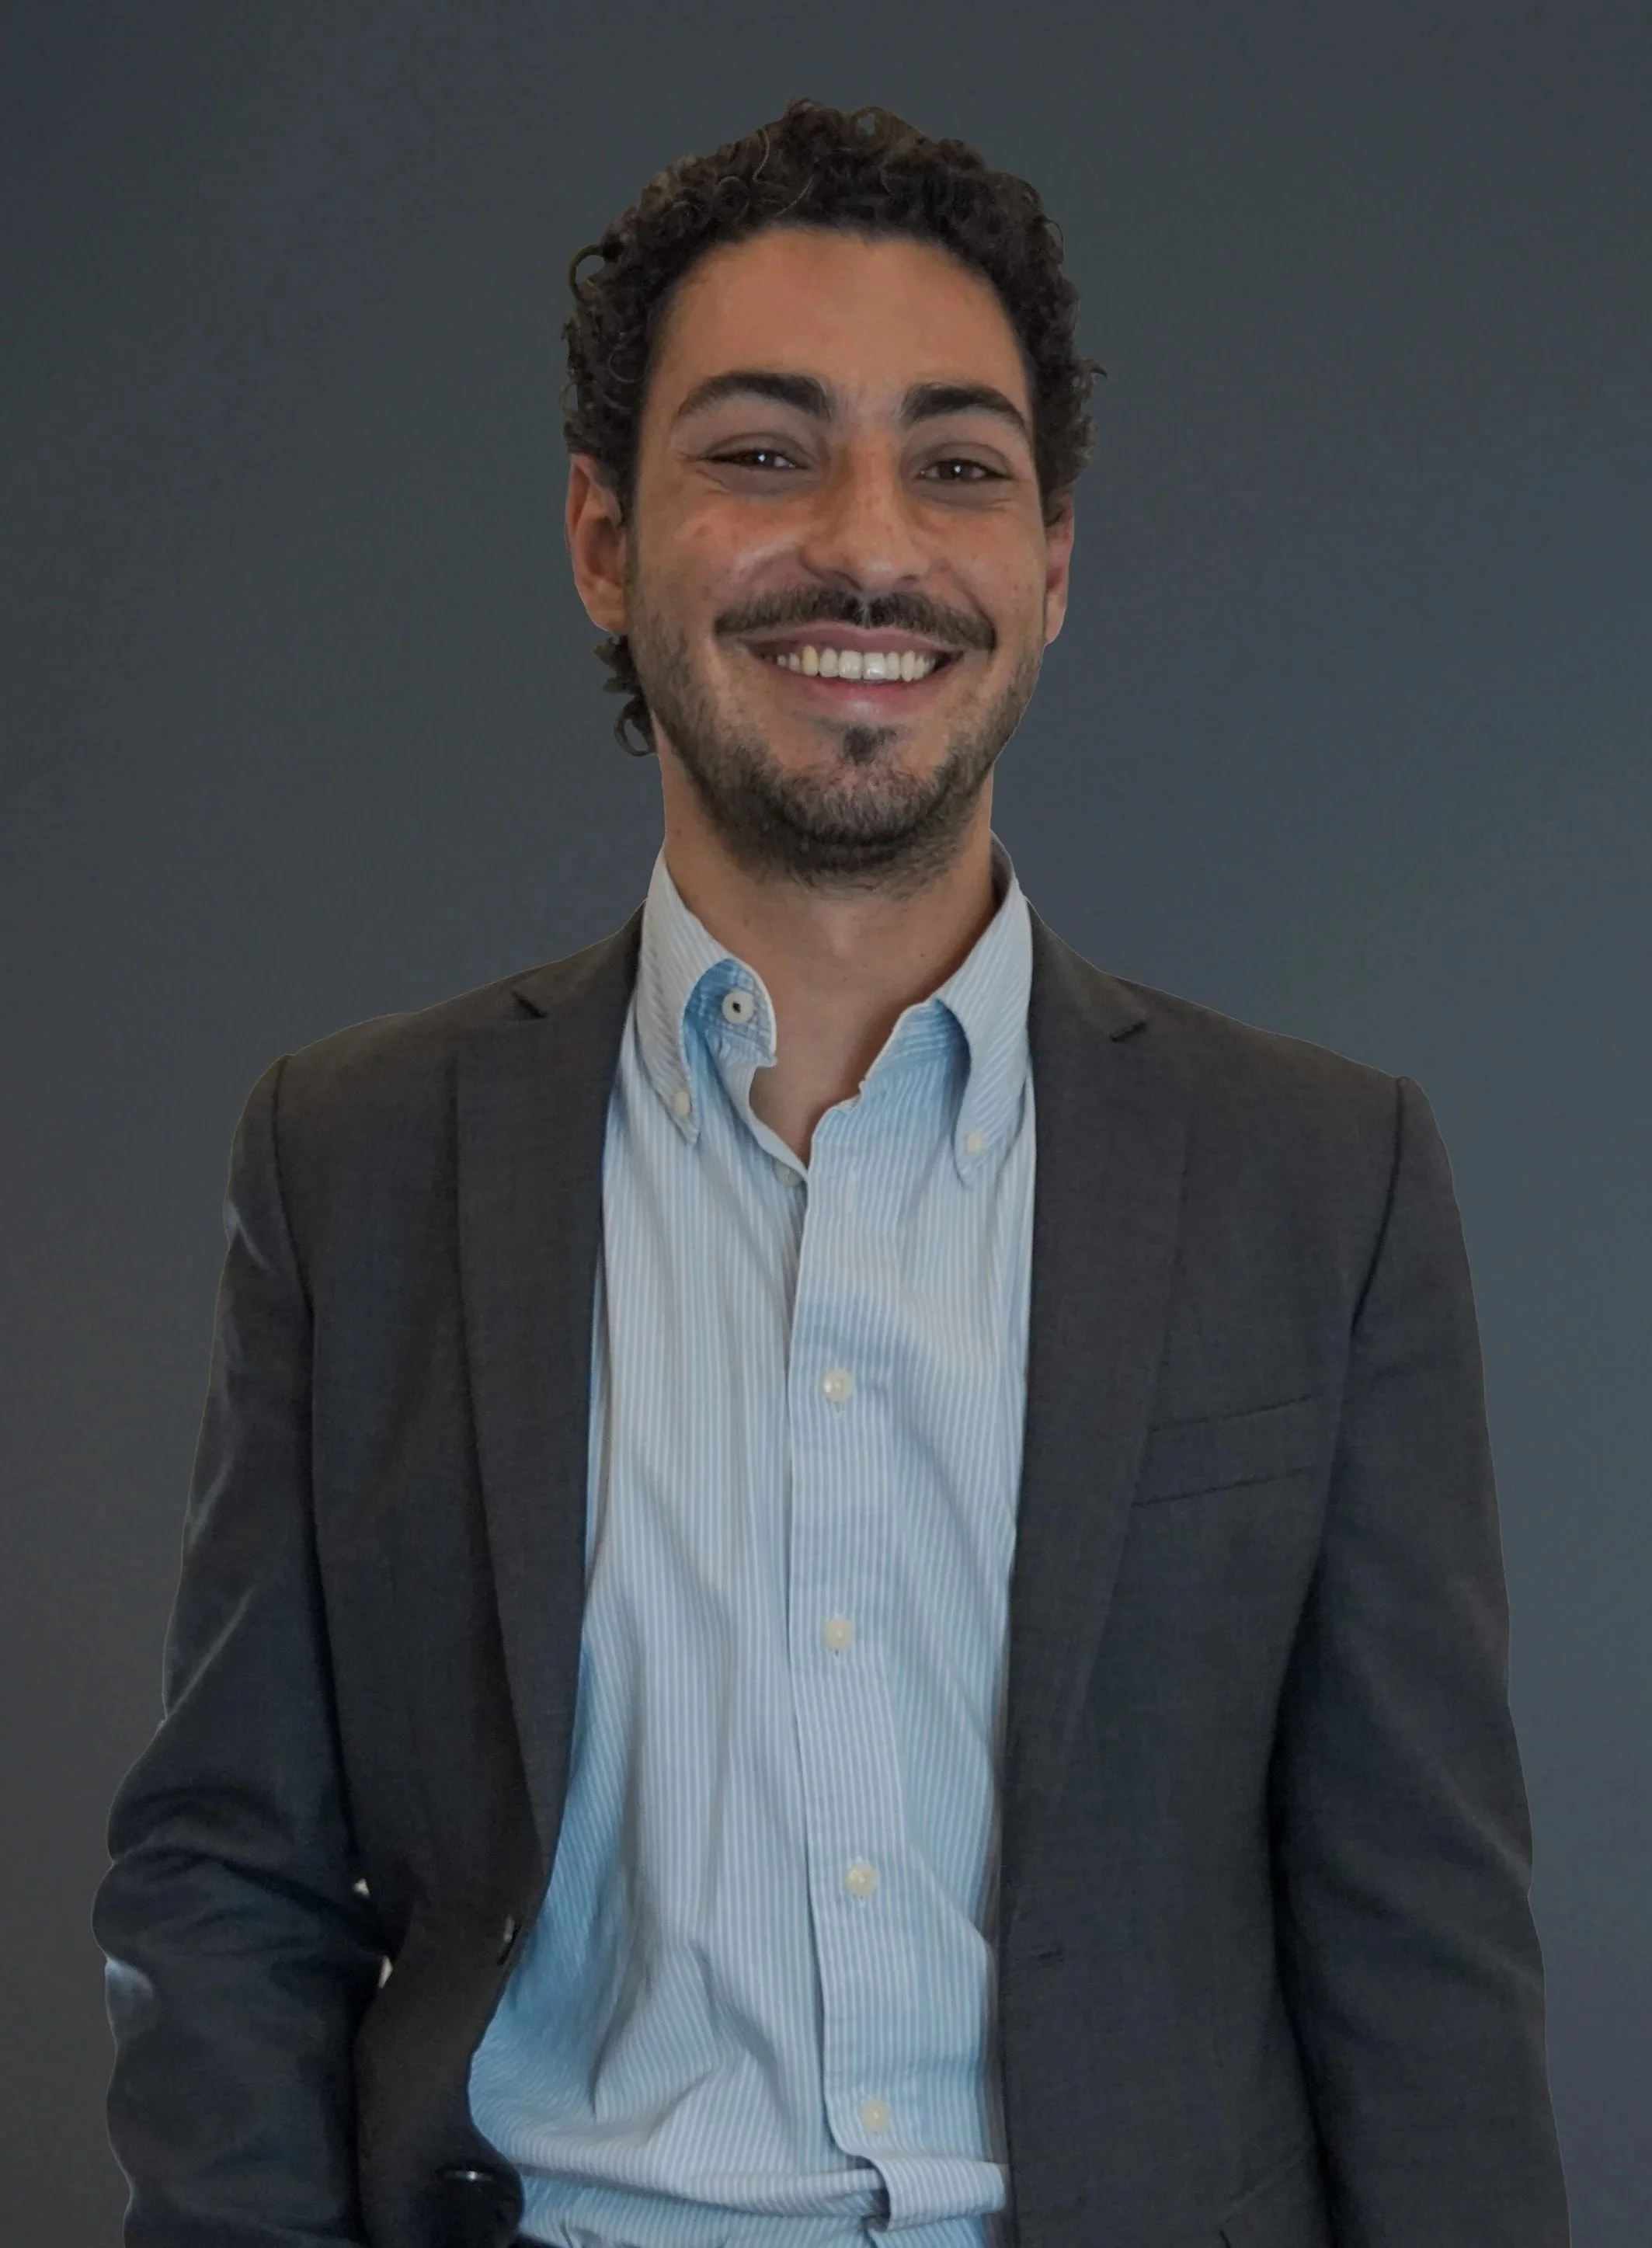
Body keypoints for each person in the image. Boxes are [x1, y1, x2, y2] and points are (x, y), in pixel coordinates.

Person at [93, 98, 1570, 2248]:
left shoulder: (1319, 1186)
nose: (869, 544)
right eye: (763, 450)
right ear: (604, 538)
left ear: (1052, 563)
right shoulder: (359, 1162)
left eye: (958, 463)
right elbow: (226, 1871)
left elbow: (1424, 1950)